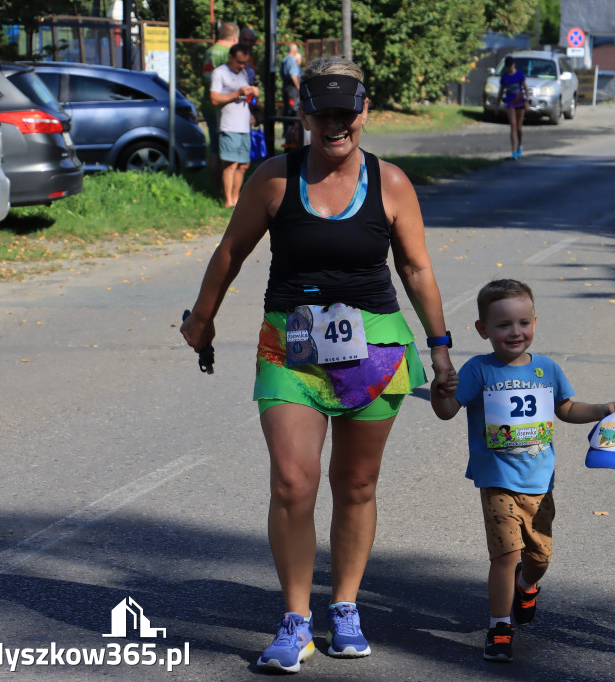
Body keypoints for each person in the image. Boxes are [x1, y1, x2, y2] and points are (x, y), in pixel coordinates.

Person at [180, 55, 455, 673]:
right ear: (303, 113)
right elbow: (232, 250)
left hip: (377, 350)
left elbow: (415, 268)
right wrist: (202, 316)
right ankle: (296, 620)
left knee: (355, 484)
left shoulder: (391, 185)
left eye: (345, 112)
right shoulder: (275, 180)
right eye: (321, 112)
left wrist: (439, 345)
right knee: (292, 482)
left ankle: (348, 607)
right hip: (290, 346)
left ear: (363, 112)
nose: (334, 125)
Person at [430, 279, 615, 663]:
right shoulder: (477, 370)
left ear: (534, 321)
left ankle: (526, 586)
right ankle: (500, 626)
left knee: (539, 559)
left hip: (540, 483)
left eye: (522, 323)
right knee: (505, 555)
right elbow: (448, 410)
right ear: (483, 330)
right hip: (497, 480)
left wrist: (602, 409)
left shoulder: (547, 370)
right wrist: (440, 389)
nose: (514, 332)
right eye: (503, 325)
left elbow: (566, 409)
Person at [210, 43, 258, 208]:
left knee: (244, 165)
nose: (242, 65)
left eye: (244, 62)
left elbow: (245, 97)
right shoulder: (219, 72)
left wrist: (252, 95)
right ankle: (227, 201)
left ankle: (236, 199)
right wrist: (237, 93)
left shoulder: (244, 72)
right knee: (230, 164)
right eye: (238, 62)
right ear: (230, 57)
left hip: (244, 125)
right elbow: (215, 99)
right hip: (229, 125)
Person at [202, 21, 239, 197]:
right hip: (223, 106)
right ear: (234, 37)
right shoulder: (227, 53)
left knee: (214, 149)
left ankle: (215, 189)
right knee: (226, 150)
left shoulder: (209, 51)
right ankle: (227, 193)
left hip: (207, 103)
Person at [498, 56, 528, 159]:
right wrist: (497, 103)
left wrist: (527, 101)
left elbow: (526, 89)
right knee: (513, 125)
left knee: (519, 128)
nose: (509, 69)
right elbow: (501, 91)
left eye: (510, 67)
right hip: (510, 103)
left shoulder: (519, 75)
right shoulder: (505, 77)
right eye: (507, 67)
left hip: (520, 103)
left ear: (513, 65)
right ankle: (513, 151)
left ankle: (520, 146)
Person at [281, 43, 303, 149]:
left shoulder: (285, 59)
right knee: (293, 114)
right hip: (292, 91)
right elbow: (293, 75)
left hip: (287, 89)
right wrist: (299, 87)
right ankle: (292, 139)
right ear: (294, 50)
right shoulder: (291, 60)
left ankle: (289, 137)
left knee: (288, 113)